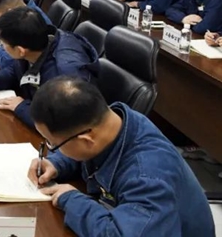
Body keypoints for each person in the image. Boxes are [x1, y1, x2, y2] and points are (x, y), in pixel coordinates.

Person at [27, 77, 214, 237]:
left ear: (86, 139)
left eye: (53, 143)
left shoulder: (147, 176)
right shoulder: (112, 122)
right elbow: (84, 149)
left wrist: (72, 200)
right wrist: (56, 163)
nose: (52, 148)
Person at [0, 8, 99, 128]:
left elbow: (65, 123)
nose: (1, 46)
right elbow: (18, 71)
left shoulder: (65, 76)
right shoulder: (38, 43)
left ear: (20, 51)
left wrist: (22, 108)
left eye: (3, 43)